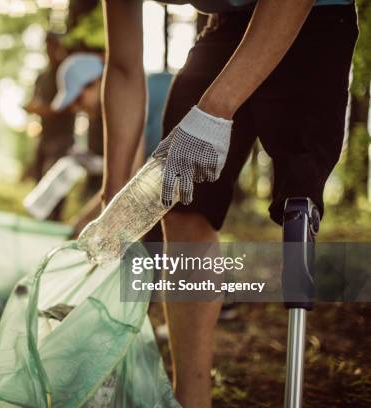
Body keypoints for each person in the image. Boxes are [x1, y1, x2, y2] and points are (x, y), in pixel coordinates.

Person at [101, 0, 357, 407]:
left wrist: (214, 112)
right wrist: (115, 192)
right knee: (181, 199)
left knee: (299, 196)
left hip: (311, 14)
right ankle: (192, 399)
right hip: (224, 27)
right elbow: (124, 68)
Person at [51, 53, 173, 236]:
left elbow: (131, 174)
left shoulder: (127, 97)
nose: (76, 108)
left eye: (78, 99)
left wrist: (86, 220)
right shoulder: (129, 94)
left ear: (95, 81)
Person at [25, 32, 76, 182]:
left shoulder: (66, 74)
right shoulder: (42, 77)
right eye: (47, 46)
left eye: (53, 45)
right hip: (44, 135)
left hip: (63, 137)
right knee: (40, 179)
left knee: (56, 181)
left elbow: (70, 105)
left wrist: (47, 111)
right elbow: (35, 100)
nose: (50, 50)